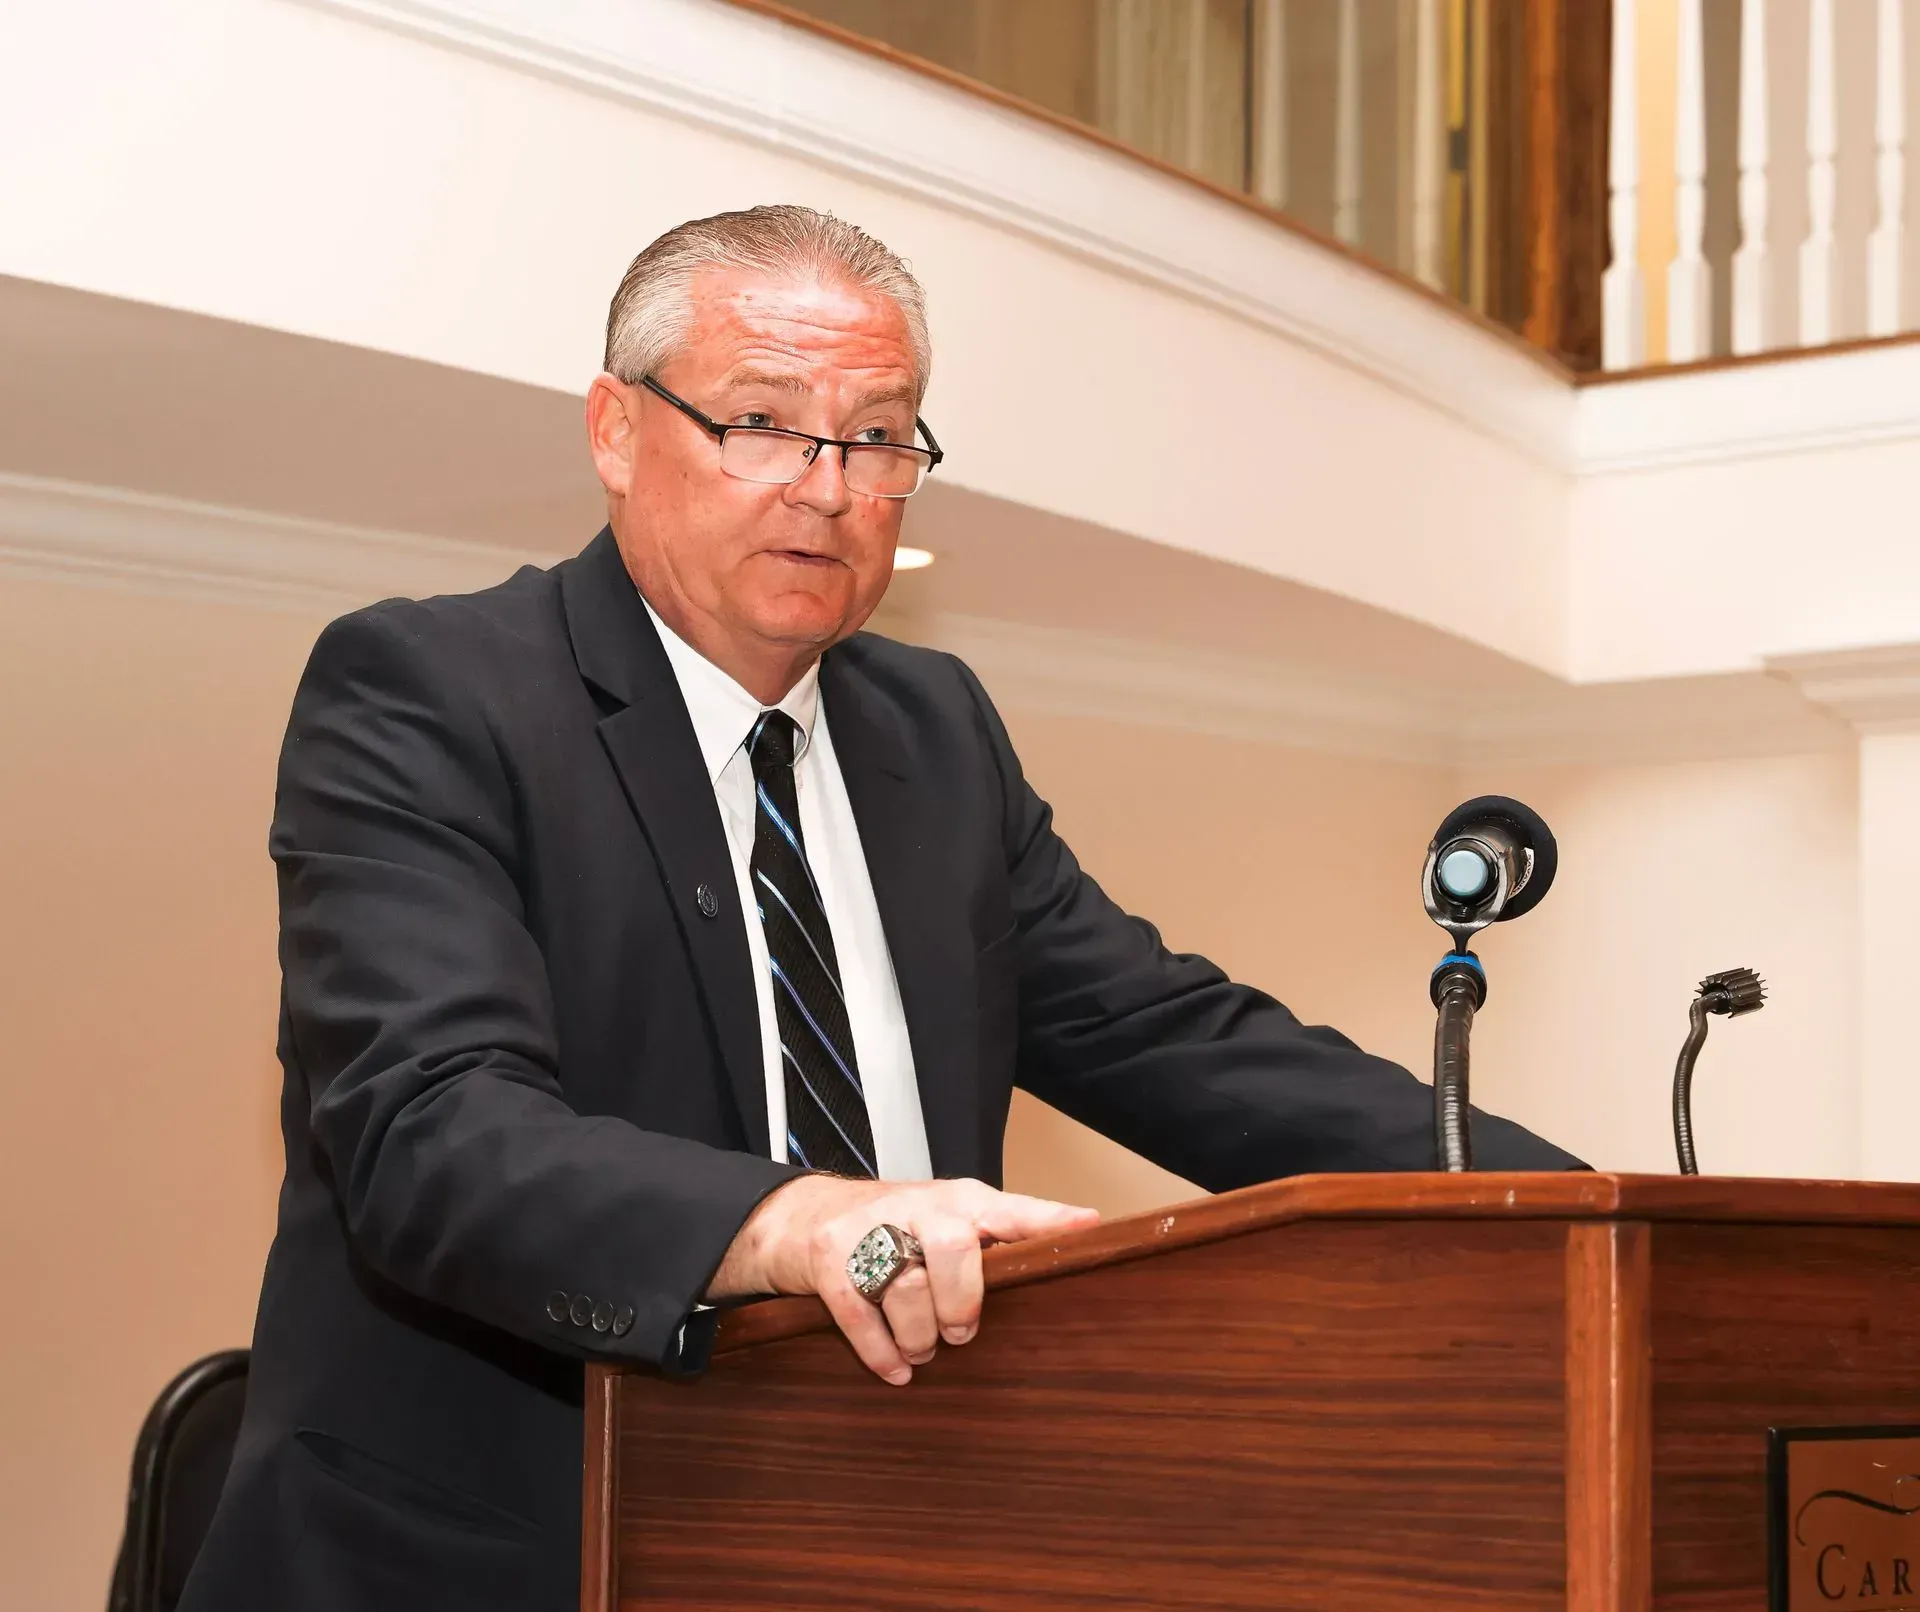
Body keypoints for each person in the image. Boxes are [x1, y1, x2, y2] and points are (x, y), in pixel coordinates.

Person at [180, 204, 1580, 1612]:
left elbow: (1182, 1040)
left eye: (878, 435)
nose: (828, 486)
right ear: (616, 431)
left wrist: (1590, 1217)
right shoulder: (430, 691)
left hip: (872, 1532)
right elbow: (432, 1137)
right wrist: (797, 1222)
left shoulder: (936, 731)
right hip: (493, 1553)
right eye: (763, 422)